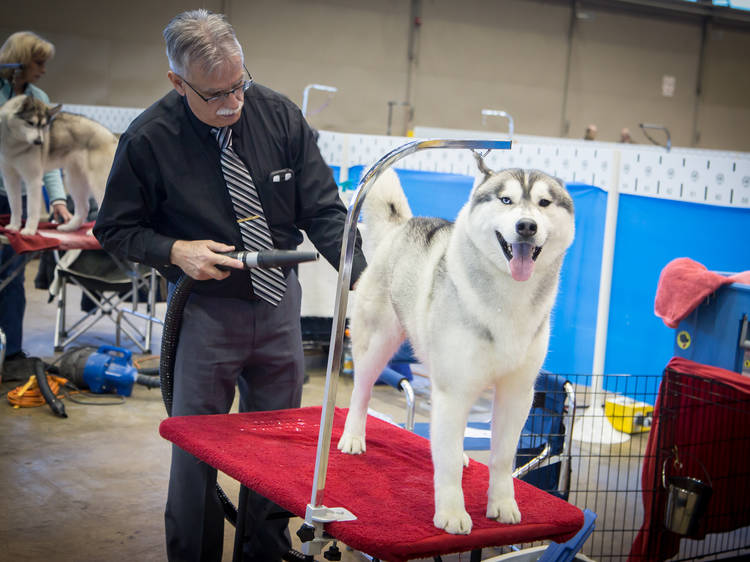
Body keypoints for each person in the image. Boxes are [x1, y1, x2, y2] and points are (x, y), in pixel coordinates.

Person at [93, 10, 366, 561]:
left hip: (278, 310)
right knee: (197, 453)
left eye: (239, 85)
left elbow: (325, 212)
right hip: (205, 314)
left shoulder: (280, 116)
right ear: (178, 81)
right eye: (215, 94)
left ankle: (263, 554)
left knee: (279, 452)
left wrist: (372, 283)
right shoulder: (150, 138)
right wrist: (174, 251)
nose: (231, 104)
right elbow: (115, 228)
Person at [0, 31, 72, 379]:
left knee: (12, 281)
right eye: (38, 63)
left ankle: (11, 354)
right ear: (19, 63)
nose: (43, 70)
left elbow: (45, 156)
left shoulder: (40, 97)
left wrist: (57, 198)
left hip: (17, 200)